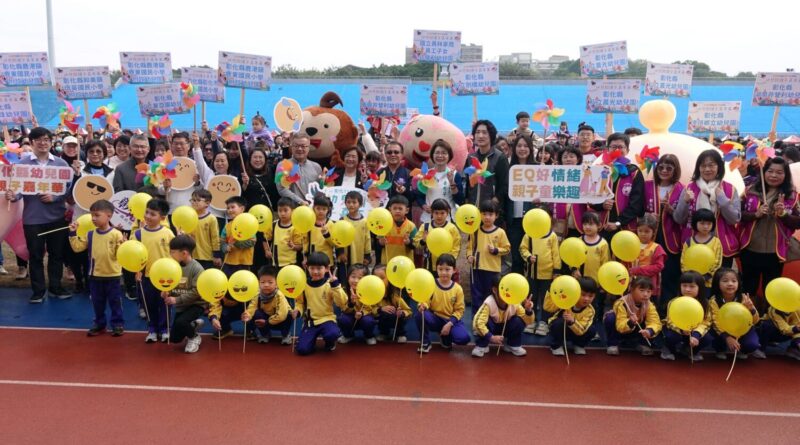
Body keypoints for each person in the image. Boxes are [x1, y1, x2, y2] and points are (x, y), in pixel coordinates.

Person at [6, 127, 72, 302]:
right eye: (39, 140)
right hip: (33, 219)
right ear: (32, 142)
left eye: (47, 139)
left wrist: (55, 197)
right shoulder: (22, 165)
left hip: (57, 218)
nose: (43, 143)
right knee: (35, 256)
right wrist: (13, 196)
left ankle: (56, 287)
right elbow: (18, 191)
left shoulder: (61, 164)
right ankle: (38, 291)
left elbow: (68, 189)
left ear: (51, 142)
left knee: (56, 255)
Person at [738, 157, 800, 311]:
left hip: (774, 251)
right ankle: (747, 317)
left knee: (771, 287)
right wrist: (755, 215)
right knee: (748, 286)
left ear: (785, 175)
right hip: (750, 247)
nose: (774, 175)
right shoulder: (750, 191)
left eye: (779, 172)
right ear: (763, 172)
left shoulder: (791, 196)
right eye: (770, 171)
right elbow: (738, 215)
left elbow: (797, 222)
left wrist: (784, 214)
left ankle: (769, 319)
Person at [673, 149, 741, 267]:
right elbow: (678, 219)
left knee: (719, 282)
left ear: (719, 167)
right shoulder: (689, 188)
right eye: (703, 165)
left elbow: (734, 219)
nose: (707, 169)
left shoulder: (730, 189)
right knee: (694, 283)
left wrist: (723, 200)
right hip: (693, 244)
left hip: (721, 246)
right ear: (698, 168)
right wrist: (685, 201)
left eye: (711, 165)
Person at [67, 199, 125, 337]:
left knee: (115, 302)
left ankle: (117, 324)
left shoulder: (116, 234)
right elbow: (77, 248)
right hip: (95, 275)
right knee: (97, 303)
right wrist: (72, 233)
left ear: (109, 215)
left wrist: (124, 245)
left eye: (97, 215)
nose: (93, 218)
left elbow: (120, 255)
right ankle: (99, 324)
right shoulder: (90, 234)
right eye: (92, 215)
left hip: (113, 275)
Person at [643, 153, 683, 308]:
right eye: (661, 167)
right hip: (648, 236)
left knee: (670, 275)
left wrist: (671, 209)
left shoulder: (681, 189)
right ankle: (646, 308)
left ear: (675, 170)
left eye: (669, 167)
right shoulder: (647, 185)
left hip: (671, 237)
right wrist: (647, 214)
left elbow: (683, 216)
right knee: (646, 272)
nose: (664, 170)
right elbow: (637, 209)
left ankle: (667, 309)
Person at [291, 252, 348, 355]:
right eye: (312, 268)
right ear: (307, 268)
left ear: (326, 268)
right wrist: (297, 311)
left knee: (332, 333)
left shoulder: (330, 284)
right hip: (311, 322)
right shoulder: (303, 285)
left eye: (319, 268)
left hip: (327, 319)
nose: (315, 272)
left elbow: (342, 303)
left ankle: (330, 342)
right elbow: (299, 303)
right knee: (302, 350)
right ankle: (308, 341)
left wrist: (336, 286)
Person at [134, 198, 174, 343]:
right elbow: (134, 256)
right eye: (147, 213)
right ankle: (152, 329)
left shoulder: (168, 233)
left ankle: (165, 329)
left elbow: (173, 255)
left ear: (162, 218)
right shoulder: (138, 234)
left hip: (165, 277)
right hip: (146, 276)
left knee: (164, 304)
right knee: (148, 303)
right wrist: (137, 271)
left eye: (153, 214)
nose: (148, 216)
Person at [415, 254, 470, 353]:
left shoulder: (457, 289)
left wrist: (450, 323)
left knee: (464, 338)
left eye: (447, 269)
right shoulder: (431, 284)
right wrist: (422, 305)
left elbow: (460, 310)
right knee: (420, 314)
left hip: (450, 320)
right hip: (435, 318)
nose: (444, 272)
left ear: (454, 270)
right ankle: (425, 342)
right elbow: (425, 299)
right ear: (436, 269)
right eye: (440, 269)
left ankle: (445, 336)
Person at [592, 133, 645, 237]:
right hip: (602, 226)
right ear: (607, 149)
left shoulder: (634, 172)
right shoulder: (598, 170)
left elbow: (637, 203)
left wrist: (618, 223)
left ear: (627, 150)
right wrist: (601, 204)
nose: (617, 150)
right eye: (613, 147)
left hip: (626, 227)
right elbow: (590, 197)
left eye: (620, 147)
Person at [519, 208, 561, 336]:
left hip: (547, 275)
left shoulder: (552, 236)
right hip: (532, 273)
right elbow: (522, 248)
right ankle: (531, 320)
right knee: (533, 297)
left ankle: (544, 322)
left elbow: (556, 254)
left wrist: (556, 271)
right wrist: (528, 256)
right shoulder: (529, 235)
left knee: (546, 299)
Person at [708, 268, 765, 360]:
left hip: (741, 329)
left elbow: (756, 321)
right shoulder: (714, 301)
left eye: (734, 281)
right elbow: (716, 322)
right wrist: (727, 337)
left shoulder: (744, 298)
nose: (730, 284)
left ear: (738, 283)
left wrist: (751, 310)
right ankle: (720, 349)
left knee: (751, 345)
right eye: (725, 281)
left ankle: (742, 349)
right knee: (712, 332)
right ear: (717, 284)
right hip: (723, 330)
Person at [466, 200, 511, 316]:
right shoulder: (474, 231)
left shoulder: (500, 232)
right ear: (479, 215)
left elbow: (507, 248)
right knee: (476, 296)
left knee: (490, 296)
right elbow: (469, 247)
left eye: (490, 214)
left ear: (496, 216)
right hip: (476, 269)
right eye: (484, 214)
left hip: (493, 270)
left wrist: (496, 250)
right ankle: (476, 321)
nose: (487, 217)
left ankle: (488, 320)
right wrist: (469, 256)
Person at [162, 235, 206, 353]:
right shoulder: (173, 266)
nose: (170, 255)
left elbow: (197, 292)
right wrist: (166, 291)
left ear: (184, 253)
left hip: (196, 304)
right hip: (182, 305)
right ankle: (193, 325)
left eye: (173, 252)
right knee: (175, 339)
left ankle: (194, 337)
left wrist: (176, 300)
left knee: (181, 322)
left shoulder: (197, 269)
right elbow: (170, 282)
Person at [471, 275, 533, 357]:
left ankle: (512, 345)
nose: (508, 292)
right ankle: (482, 345)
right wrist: (491, 337)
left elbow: (528, 321)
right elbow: (477, 323)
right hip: (491, 329)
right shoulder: (489, 303)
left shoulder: (514, 302)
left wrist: (528, 310)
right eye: (505, 289)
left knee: (519, 321)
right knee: (484, 321)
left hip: (506, 328)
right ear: (494, 290)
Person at [506, 134, 540, 273]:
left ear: (531, 149)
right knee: (516, 256)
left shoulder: (539, 168)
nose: (522, 149)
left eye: (526, 146)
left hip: (533, 219)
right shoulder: (508, 168)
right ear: (514, 149)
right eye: (519, 146)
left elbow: (546, 191)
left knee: (533, 254)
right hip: (513, 219)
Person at [604, 276, 662, 356]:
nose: (645, 294)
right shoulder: (622, 303)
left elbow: (655, 322)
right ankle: (613, 343)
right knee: (610, 318)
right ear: (631, 289)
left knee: (650, 325)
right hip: (621, 330)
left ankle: (642, 343)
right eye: (641, 290)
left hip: (637, 331)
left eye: (649, 291)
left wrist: (649, 331)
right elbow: (620, 325)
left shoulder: (649, 305)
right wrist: (630, 322)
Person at [464, 120, 508, 224]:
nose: (480, 135)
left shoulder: (499, 157)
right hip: (473, 212)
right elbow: (467, 184)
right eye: (477, 132)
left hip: (491, 213)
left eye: (484, 132)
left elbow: (505, 185)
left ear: (491, 135)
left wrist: (493, 202)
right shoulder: (470, 158)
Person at [661, 271, 711, 361]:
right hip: (677, 330)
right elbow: (670, 321)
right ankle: (668, 349)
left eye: (692, 286)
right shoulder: (673, 302)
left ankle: (690, 350)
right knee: (671, 336)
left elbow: (706, 322)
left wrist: (696, 335)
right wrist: (681, 329)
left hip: (694, 331)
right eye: (684, 286)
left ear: (700, 288)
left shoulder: (705, 303)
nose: (687, 289)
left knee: (707, 338)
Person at [415, 139, 464, 224]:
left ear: (449, 156)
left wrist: (452, 182)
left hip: (449, 220)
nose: (440, 155)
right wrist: (424, 206)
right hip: (429, 219)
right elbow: (419, 196)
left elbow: (460, 200)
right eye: (437, 152)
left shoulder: (455, 175)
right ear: (432, 155)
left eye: (444, 153)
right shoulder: (425, 174)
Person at [547, 277, 598, 356]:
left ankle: (579, 345)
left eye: (590, 296)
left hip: (577, 332)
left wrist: (572, 321)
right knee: (559, 323)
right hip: (561, 329)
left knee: (591, 329)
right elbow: (548, 307)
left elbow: (581, 330)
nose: (586, 299)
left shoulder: (590, 310)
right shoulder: (565, 299)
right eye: (583, 294)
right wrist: (551, 291)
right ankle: (556, 346)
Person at [576, 212, 609, 321]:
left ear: (599, 225)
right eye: (585, 224)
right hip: (580, 281)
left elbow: (605, 264)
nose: (587, 227)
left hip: (596, 283)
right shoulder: (579, 241)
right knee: (579, 304)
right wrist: (574, 269)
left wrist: (604, 283)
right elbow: (572, 256)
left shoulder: (603, 244)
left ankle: (595, 327)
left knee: (595, 306)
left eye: (591, 224)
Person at [413, 198, 461, 274]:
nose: (439, 216)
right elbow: (416, 243)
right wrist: (423, 241)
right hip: (428, 265)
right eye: (436, 213)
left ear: (447, 212)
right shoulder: (425, 227)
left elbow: (456, 247)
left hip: (445, 267)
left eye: (442, 213)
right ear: (432, 213)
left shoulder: (452, 228)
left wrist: (450, 260)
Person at [627, 214, 666, 303]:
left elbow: (658, 266)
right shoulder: (632, 245)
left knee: (648, 308)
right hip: (632, 283)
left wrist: (638, 270)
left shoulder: (656, 247)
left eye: (647, 231)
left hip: (649, 285)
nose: (643, 234)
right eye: (640, 231)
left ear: (653, 232)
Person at [251, 265, 293, 345]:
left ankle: (285, 335)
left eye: (270, 282)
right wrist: (247, 315)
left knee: (288, 314)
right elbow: (251, 307)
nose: (266, 285)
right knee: (256, 313)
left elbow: (281, 315)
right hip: (266, 320)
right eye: (262, 282)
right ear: (258, 282)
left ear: (276, 283)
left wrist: (267, 322)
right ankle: (265, 334)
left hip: (280, 321)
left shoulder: (280, 295)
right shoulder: (257, 294)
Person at [277, 132, 322, 206]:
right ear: (291, 147)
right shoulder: (282, 165)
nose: (299, 149)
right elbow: (282, 189)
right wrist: (300, 202)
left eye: (303, 146)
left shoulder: (317, 167)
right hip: (292, 211)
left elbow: (320, 189)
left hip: (313, 211)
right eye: (296, 146)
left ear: (308, 148)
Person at [337, 264, 377, 345]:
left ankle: (369, 336)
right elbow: (343, 308)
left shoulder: (368, 290)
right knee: (343, 320)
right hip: (350, 316)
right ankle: (348, 335)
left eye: (360, 278)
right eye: (353, 277)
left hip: (364, 316)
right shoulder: (343, 290)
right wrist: (351, 303)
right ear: (348, 277)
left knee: (369, 321)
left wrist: (362, 313)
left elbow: (370, 308)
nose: (356, 280)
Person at [680, 209, 722, 287]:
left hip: (708, 284)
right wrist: (690, 277)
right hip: (691, 283)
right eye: (702, 223)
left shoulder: (716, 242)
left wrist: (706, 277)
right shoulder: (689, 242)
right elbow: (683, 262)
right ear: (695, 223)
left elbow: (717, 263)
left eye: (709, 223)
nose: (705, 226)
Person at [373, 264, 411, 343]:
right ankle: (384, 333)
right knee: (383, 314)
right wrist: (380, 309)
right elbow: (370, 309)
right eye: (376, 278)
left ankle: (400, 333)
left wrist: (402, 313)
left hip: (395, 317)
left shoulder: (395, 295)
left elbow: (409, 311)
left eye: (382, 278)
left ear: (389, 279)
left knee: (399, 316)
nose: (379, 281)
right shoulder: (373, 294)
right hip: (382, 317)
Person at [377, 195, 417, 264]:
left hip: (405, 264)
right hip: (388, 262)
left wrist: (408, 242)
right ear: (390, 210)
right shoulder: (384, 225)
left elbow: (415, 245)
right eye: (394, 208)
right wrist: (380, 243)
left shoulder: (411, 226)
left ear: (407, 210)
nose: (397, 211)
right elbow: (377, 245)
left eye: (400, 209)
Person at [267, 198, 305, 268]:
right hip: (275, 263)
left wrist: (294, 246)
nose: (282, 213)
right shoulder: (273, 225)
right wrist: (267, 250)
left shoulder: (295, 227)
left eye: (285, 210)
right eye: (280, 211)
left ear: (292, 211)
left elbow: (300, 246)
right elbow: (265, 238)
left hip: (291, 263)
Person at [339, 191, 372, 272]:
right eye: (348, 202)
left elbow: (367, 239)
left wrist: (367, 256)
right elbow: (338, 238)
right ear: (345, 203)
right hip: (346, 256)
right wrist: (341, 252)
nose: (351, 205)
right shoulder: (342, 220)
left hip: (360, 254)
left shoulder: (365, 222)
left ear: (360, 204)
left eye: (354, 202)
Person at [189, 189, 221, 271]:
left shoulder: (211, 218)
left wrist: (216, 255)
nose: (194, 202)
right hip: (190, 256)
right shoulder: (188, 217)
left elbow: (215, 238)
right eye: (193, 200)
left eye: (198, 200)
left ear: (207, 203)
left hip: (206, 257)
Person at [306, 194, 336, 266]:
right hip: (312, 260)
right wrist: (305, 256)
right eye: (318, 208)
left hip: (326, 261)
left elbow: (334, 243)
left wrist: (326, 234)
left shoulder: (331, 224)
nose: (321, 211)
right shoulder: (310, 223)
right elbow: (305, 241)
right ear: (313, 208)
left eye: (324, 209)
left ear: (328, 209)